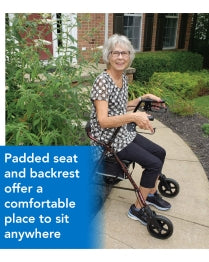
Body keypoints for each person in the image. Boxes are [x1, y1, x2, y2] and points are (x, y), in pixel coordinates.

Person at [89, 34, 171, 226]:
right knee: (152, 164)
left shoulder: (122, 78)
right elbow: (103, 121)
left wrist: (143, 99)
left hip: (122, 132)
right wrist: (134, 117)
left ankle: (150, 193)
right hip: (108, 137)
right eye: (115, 53)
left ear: (129, 56)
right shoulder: (102, 81)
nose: (120, 57)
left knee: (160, 152)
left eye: (124, 53)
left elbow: (120, 106)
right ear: (108, 56)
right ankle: (137, 208)